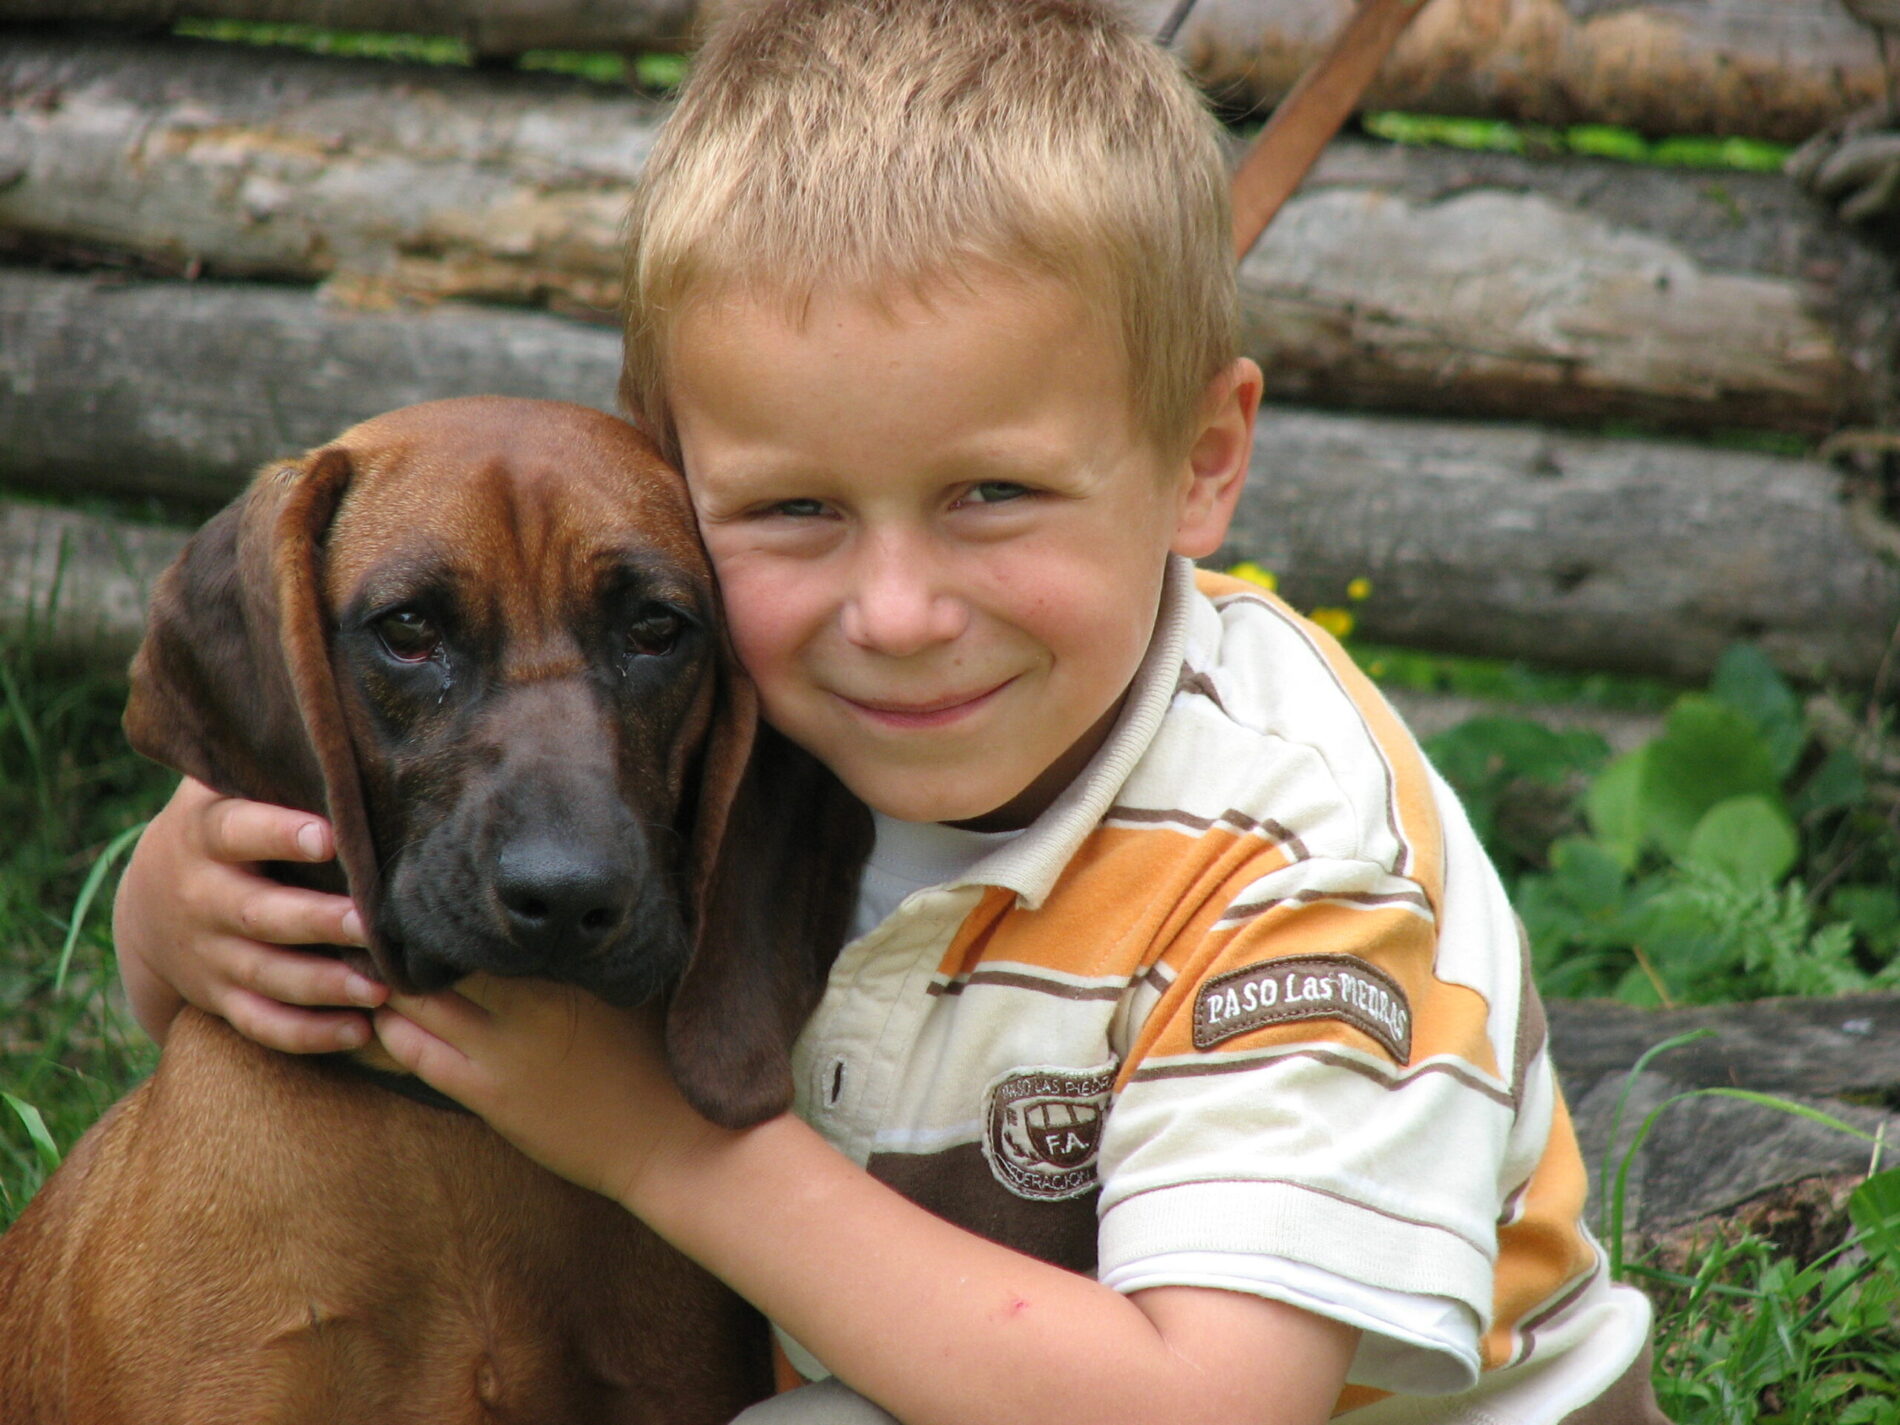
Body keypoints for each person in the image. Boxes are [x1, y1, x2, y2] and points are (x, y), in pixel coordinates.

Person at [111, 1, 1667, 1420]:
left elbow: (1205, 1407)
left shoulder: (1297, 862)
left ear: (1203, 458)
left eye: (991, 492)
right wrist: (171, 907)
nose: (899, 614)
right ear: (673, 482)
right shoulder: (752, 686)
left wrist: (661, 1144)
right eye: (793, 507)